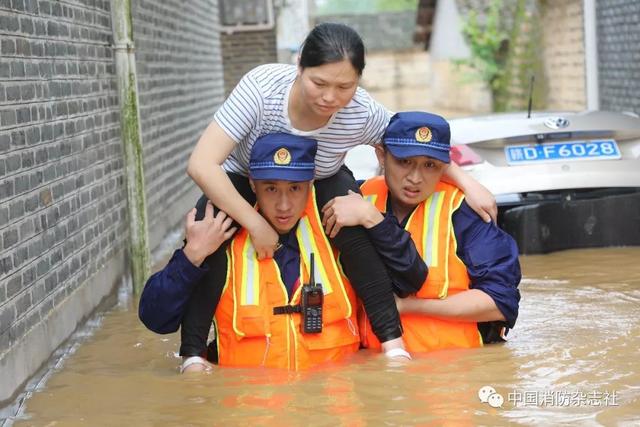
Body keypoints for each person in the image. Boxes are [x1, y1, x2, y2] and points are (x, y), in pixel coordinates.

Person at [180, 22, 497, 362]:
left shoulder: (360, 111)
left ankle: (392, 345)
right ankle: (193, 355)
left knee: (356, 231)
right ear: (299, 65)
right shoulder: (261, 89)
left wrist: (468, 182)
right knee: (210, 233)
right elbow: (201, 164)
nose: (330, 98)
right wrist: (256, 225)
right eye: (319, 83)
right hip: (247, 175)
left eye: (344, 86)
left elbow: (414, 146)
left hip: (322, 179)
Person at [140, 133, 373, 370]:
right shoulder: (223, 237)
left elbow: (401, 286)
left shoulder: (339, 227)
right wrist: (192, 255)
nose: (284, 205)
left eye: (294, 188)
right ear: (252, 183)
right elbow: (156, 319)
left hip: (331, 398)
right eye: (271, 189)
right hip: (248, 399)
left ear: (311, 183)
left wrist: (374, 219)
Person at [321, 112, 521, 352]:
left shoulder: (466, 212)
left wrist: (409, 306)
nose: (415, 178)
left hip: (453, 373)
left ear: (444, 166)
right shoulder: (355, 200)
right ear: (381, 156)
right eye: (404, 162)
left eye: (429, 165)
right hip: (374, 370)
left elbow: (499, 303)